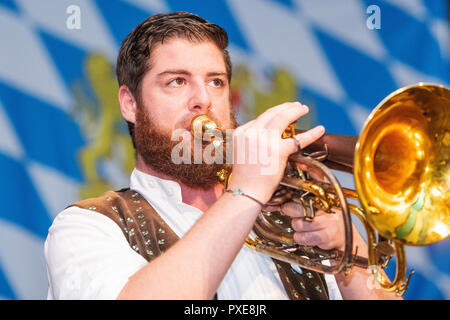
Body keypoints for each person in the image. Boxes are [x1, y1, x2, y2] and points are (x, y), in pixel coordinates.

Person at [44, 11, 401, 300]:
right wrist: (245, 192)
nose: (204, 99)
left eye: (216, 81)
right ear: (130, 104)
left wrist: (348, 256)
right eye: (177, 81)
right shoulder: (88, 226)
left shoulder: (290, 215)